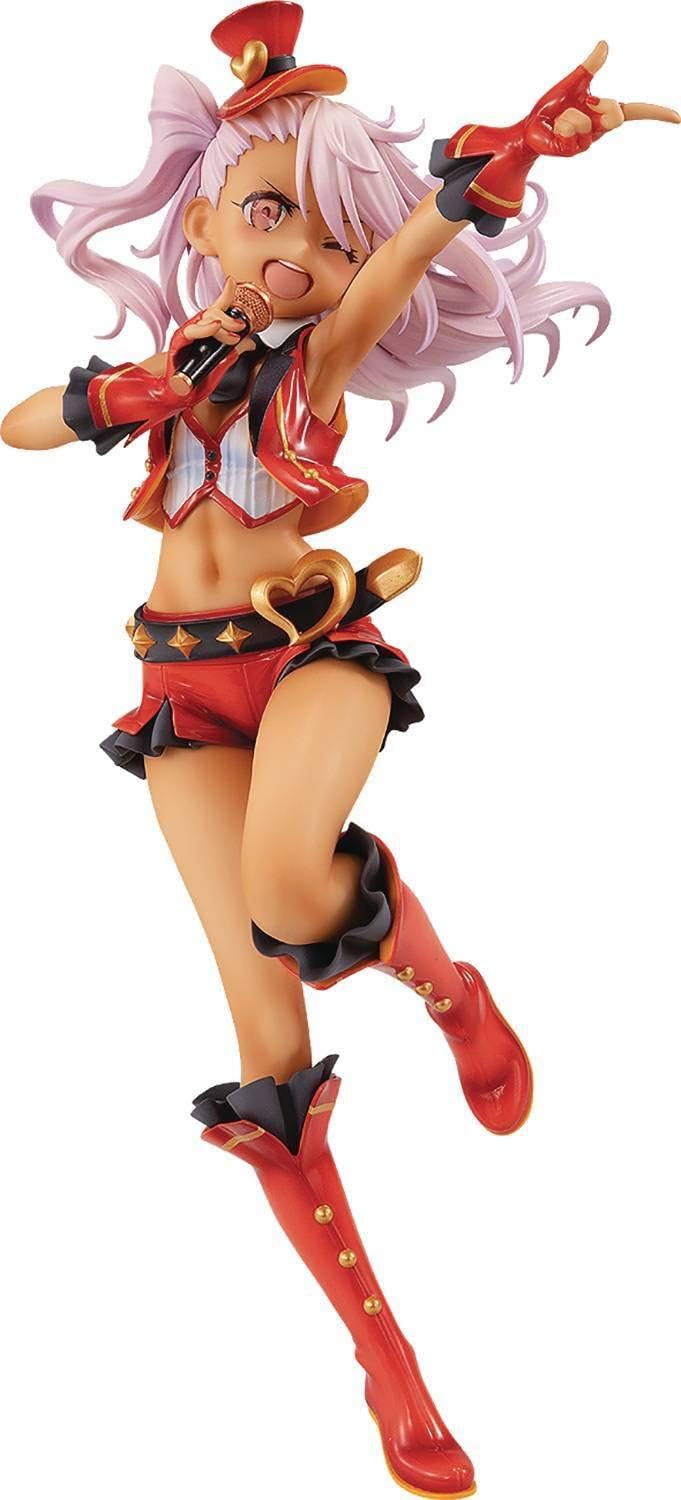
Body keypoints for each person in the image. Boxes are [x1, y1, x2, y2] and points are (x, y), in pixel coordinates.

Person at [3, 5, 677, 1493]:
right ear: (201, 220)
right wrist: (123, 393)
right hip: (179, 690)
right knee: (264, 1050)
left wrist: (500, 162)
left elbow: (400, 260)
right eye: (265, 214)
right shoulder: (167, 370)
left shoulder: (313, 363)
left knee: (286, 889)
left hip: (313, 650)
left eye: (320, 229)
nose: (295, 253)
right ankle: (391, 1366)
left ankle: (448, 991)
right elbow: (18, 424)